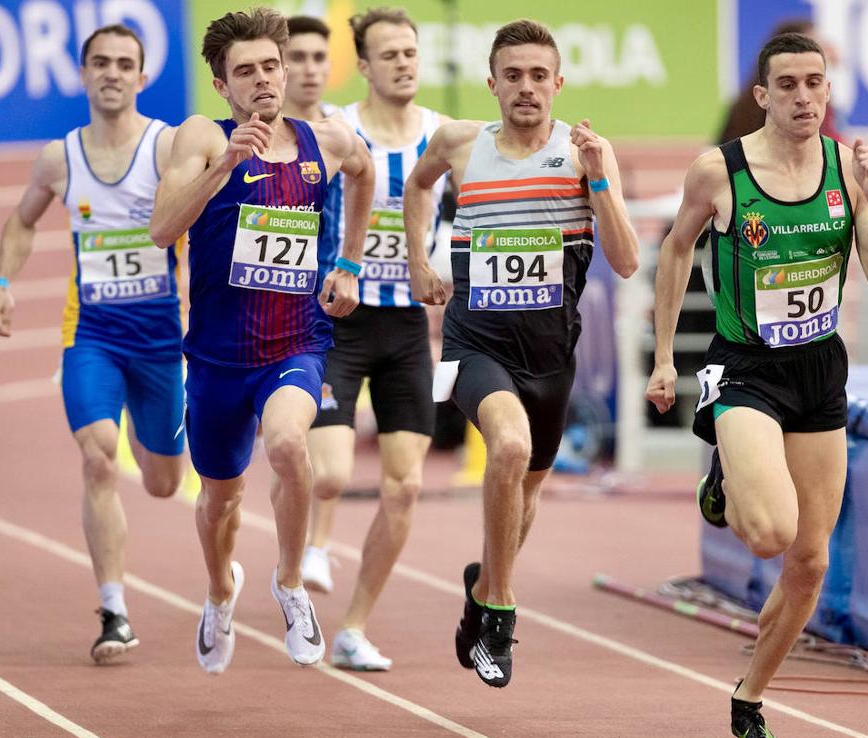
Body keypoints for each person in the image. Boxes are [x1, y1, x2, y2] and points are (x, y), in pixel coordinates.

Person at [646, 33, 868, 738]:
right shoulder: (719, 173)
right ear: (762, 96)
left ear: (829, 92)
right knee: (768, 533)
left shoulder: (849, 171)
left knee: (811, 562)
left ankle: (750, 697)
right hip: (746, 368)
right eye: (786, 85)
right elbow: (674, 251)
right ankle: (727, 461)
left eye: (813, 84)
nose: (802, 98)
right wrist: (666, 357)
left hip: (819, 370)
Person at [404, 19, 638, 688]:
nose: (527, 87)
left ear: (558, 84)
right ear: (493, 84)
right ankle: (499, 617)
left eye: (540, 76)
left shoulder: (586, 151)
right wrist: (421, 261)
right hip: (473, 345)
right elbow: (418, 187)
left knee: (526, 493)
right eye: (514, 75)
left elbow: (623, 261)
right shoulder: (457, 145)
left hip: (550, 358)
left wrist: (597, 183)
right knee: (504, 450)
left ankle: (483, 582)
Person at [148, 7, 373, 674]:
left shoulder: (323, 140)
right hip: (217, 358)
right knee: (219, 499)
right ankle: (221, 591)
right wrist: (222, 168)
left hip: (294, 344)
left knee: (286, 443)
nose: (264, 80)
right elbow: (163, 228)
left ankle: (290, 581)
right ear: (223, 85)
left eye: (271, 66)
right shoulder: (201, 137)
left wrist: (351, 262)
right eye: (245, 72)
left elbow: (362, 174)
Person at [0, 24, 184, 665]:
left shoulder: (167, 148)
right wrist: (0, 282)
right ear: (83, 74)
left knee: (161, 482)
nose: (112, 74)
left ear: (143, 78)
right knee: (98, 456)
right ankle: (114, 609)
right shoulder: (58, 158)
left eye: (126, 64)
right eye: (100, 63)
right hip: (90, 333)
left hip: (161, 339)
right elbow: (22, 218)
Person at [294, 7, 449, 673]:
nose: (403, 63)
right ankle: (299, 552)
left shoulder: (443, 135)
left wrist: (442, 266)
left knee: (404, 488)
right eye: (389, 55)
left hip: (408, 328)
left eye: (410, 52)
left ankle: (354, 627)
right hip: (341, 324)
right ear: (363, 66)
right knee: (328, 471)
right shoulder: (337, 132)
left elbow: (467, 214)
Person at [282, 15, 340, 122]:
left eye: (319, 58)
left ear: (329, 64)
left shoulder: (349, 125)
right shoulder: (255, 131)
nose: (311, 70)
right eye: (298, 58)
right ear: (278, 66)